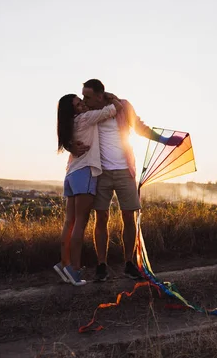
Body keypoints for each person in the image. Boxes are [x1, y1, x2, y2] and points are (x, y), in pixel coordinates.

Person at [78, 79, 181, 282]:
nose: (84, 100)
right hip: (101, 172)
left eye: (87, 96)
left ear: (100, 95)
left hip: (125, 170)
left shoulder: (123, 106)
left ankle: (129, 263)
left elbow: (140, 128)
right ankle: (101, 266)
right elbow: (75, 130)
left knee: (129, 217)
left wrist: (165, 141)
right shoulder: (87, 113)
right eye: (83, 96)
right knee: (101, 218)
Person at [53, 91, 123, 286]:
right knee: (80, 224)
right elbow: (115, 109)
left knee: (69, 222)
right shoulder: (86, 118)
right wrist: (111, 97)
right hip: (84, 173)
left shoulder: (69, 123)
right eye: (78, 104)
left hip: (71, 173)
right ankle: (74, 270)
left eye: (82, 101)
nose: (83, 104)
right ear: (74, 110)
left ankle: (63, 262)